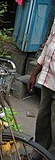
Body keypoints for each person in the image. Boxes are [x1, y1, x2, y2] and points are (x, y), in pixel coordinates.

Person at [27, 18, 55, 158]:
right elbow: (49, 44)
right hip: (48, 80)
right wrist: (34, 73)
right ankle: (38, 153)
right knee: (43, 122)